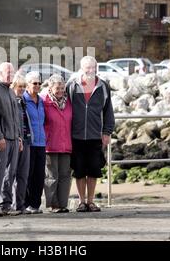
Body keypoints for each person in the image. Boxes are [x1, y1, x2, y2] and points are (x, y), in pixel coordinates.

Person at [66, 56, 115, 212]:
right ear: (82, 69)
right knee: (79, 170)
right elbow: (65, 109)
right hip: (76, 135)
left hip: (95, 135)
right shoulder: (72, 85)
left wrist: (107, 132)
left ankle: (91, 201)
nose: (91, 70)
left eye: (93, 67)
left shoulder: (103, 86)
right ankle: (81, 202)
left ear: (97, 68)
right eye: (87, 68)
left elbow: (108, 111)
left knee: (94, 169)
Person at [0, 62, 22, 217]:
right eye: (7, 73)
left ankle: (6, 204)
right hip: (1, 140)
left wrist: (19, 137)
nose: (10, 75)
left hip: (14, 139)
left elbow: (17, 117)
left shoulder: (11, 92)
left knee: (10, 173)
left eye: (12, 72)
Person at [41, 74, 72, 213]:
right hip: (50, 145)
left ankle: (63, 204)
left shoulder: (68, 102)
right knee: (52, 176)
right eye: (57, 88)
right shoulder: (44, 101)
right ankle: (53, 204)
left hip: (66, 144)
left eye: (62, 87)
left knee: (65, 176)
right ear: (50, 87)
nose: (60, 90)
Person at [24, 71, 46, 214]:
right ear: (27, 85)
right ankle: (26, 204)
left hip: (41, 143)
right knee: (28, 174)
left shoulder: (41, 101)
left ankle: (36, 205)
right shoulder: (23, 100)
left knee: (39, 175)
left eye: (39, 83)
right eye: (34, 83)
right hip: (29, 143)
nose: (37, 86)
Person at [10, 74, 32, 214]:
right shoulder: (11, 101)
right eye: (20, 87)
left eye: (24, 87)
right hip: (15, 140)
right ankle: (12, 205)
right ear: (13, 87)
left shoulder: (23, 100)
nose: (22, 89)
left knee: (23, 174)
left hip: (26, 139)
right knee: (12, 174)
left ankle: (20, 204)